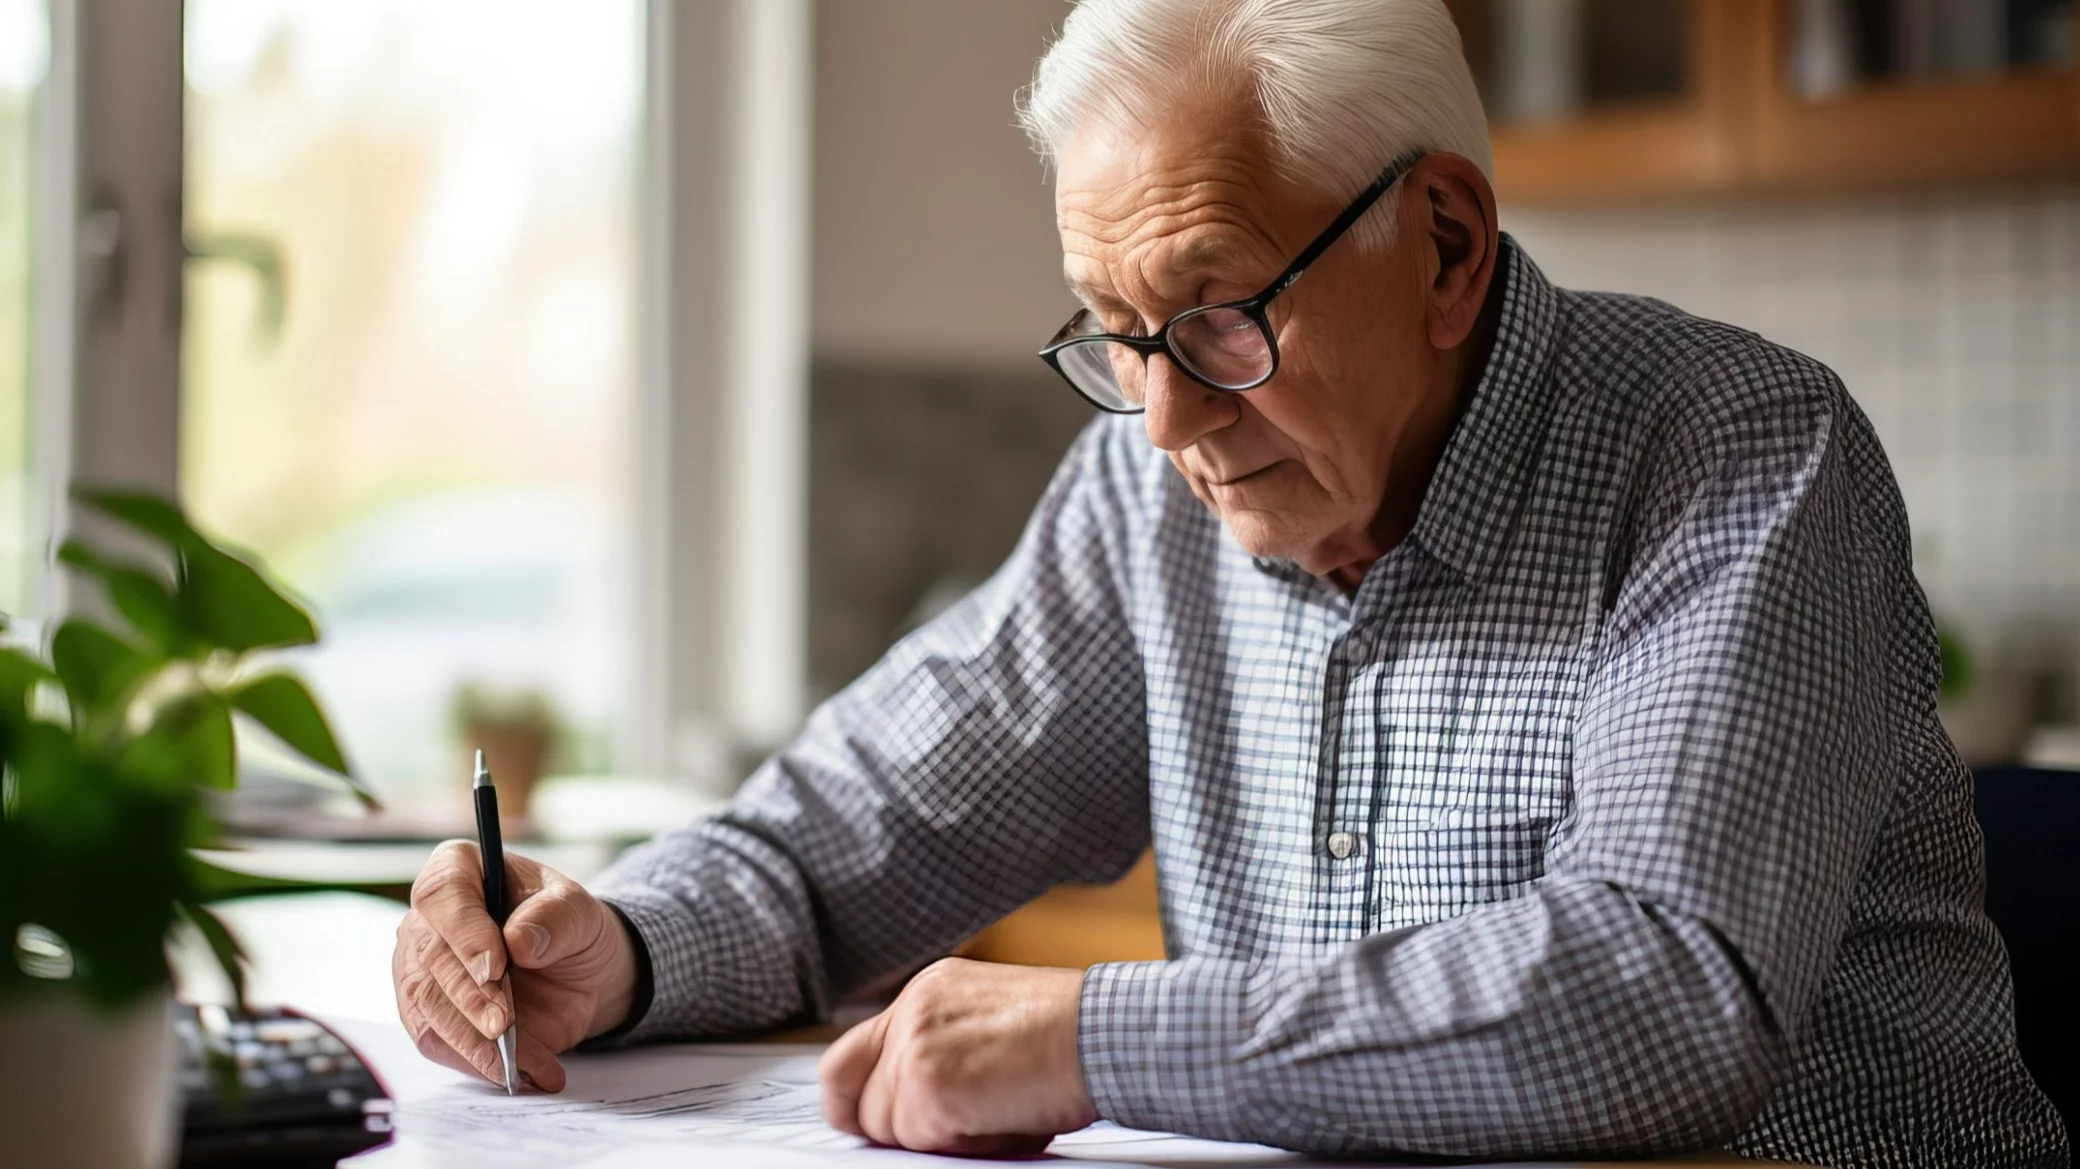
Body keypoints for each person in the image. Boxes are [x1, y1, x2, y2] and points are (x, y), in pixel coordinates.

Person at [390, 1, 2068, 1164]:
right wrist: (615, 941)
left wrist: (1091, 1040)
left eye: (1216, 314)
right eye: (1114, 336)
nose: (1170, 415)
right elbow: (848, 832)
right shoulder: (1152, 490)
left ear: (1447, 246)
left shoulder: (1738, 453)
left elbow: (1664, 996)